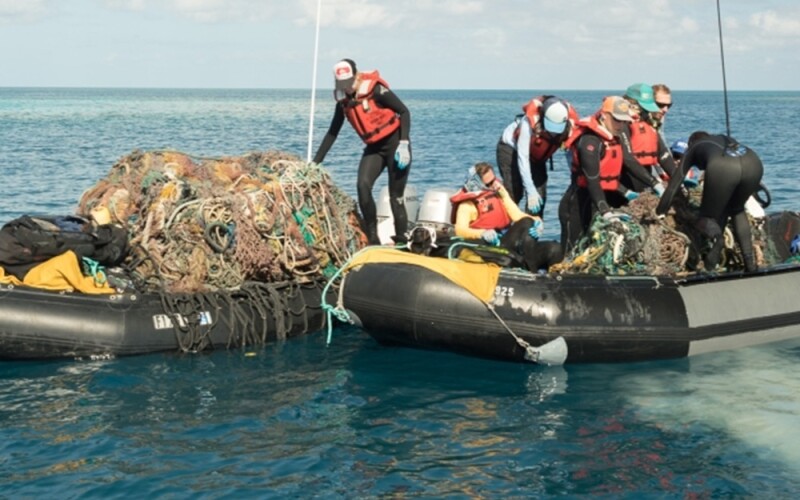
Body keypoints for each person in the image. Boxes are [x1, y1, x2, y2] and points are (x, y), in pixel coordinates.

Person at [313, 59, 411, 245]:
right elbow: (333, 132)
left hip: (396, 144)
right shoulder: (343, 102)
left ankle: (402, 242)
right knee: (362, 186)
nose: (346, 88)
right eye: (342, 84)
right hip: (374, 148)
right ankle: (373, 238)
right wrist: (316, 162)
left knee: (395, 196)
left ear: (356, 77)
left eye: (348, 83)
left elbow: (404, 112)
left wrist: (404, 143)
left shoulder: (375, 90)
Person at [558, 96, 665, 253]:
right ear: (604, 116)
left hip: (600, 201)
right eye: (617, 120)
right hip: (578, 205)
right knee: (572, 250)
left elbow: (629, 160)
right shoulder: (590, 141)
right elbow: (593, 180)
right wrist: (606, 211)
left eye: (624, 121)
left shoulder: (615, 135)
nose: (621, 125)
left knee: (594, 251)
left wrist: (655, 183)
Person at [656, 132, 764, 272]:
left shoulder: (693, 148)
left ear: (691, 144)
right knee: (737, 209)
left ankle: (718, 241)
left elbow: (673, 186)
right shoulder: (722, 138)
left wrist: (660, 211)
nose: (700, 168)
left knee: (706, 218)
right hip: (753, 163)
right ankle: (750, 263)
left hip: (723, 167)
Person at [450, 162, 562, 271]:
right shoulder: (467, 204)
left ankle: (553, 279)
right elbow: (460, 230)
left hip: (508, 243)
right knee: (526, 222)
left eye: (494, 179)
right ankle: (532, 272)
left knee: (555, 249)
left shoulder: (499, 191)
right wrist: (482, 233)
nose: (495, 184)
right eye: (489, 183)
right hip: (491, 248)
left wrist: (538, 222)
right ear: (477, 184)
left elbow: (517, 215)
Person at [496, 95, 579, 216]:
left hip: (537, 158)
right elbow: (522, 157)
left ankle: (532, 228)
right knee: (514, 192)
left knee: (539, 198)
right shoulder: (528, 123)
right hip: (511, 149)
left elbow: (570, 156)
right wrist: (530, 189)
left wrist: (575, 179)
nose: (553, 133)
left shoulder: (570, 128)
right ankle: (498, 225)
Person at [621, 83, 676, 189]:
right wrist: (654, 183)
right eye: (660, 105)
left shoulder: (650, 124)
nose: (665, 110)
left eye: (669, 106)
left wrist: (678, 178)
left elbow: (662, 154)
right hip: (624, 183)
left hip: (643, 182)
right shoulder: (621, 123)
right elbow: (627, 158)